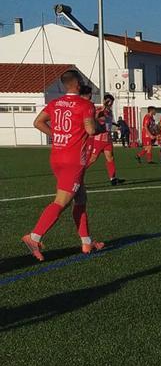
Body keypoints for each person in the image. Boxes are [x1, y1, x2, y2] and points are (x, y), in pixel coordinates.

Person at [21, 70, 103, 260]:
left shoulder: (55, 103)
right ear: (78, 83)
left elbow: (37, 122)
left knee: (81, 199)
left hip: (57, 157)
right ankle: (34, 236)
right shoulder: (85, 104)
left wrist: (57, 135)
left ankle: (86, 242)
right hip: (73, 160)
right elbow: (91, 130)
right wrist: (100, 126)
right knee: (62, 202)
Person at [88, 90, 123, 185]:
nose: (110, 104)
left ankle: (113, 179)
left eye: (111, 102)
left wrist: (115, 124)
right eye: (108, 102)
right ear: (105, 101)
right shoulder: (100, 110)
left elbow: (108, 122)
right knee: (92, 159)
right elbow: (95, 117)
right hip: (99, 139)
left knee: (110, 158)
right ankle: (77, 175)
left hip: (107, 139)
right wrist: (103, 108)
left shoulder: (110, 112)